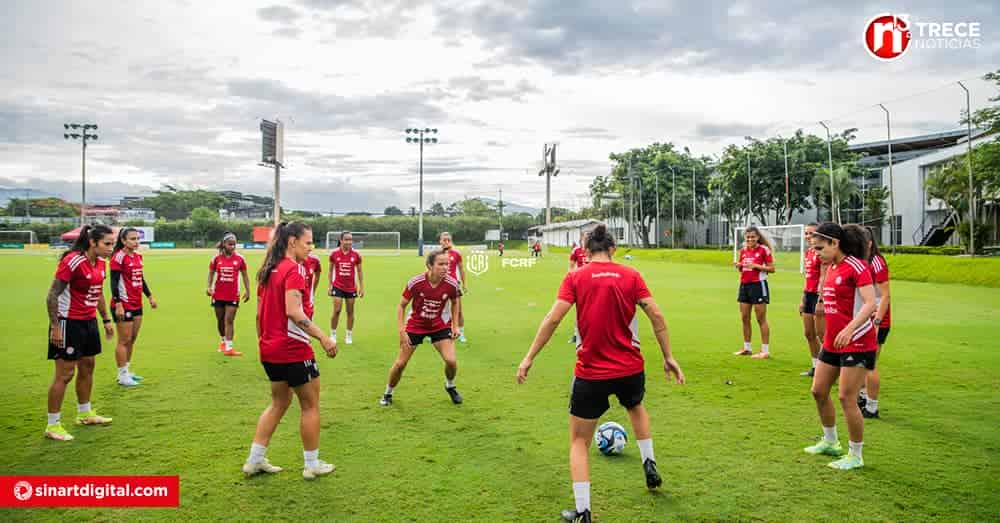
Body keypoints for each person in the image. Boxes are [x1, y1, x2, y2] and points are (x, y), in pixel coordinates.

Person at [516, 225, 685, 523]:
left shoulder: (575, 277)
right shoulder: (631, 275)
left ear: (585, 251)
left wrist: (529, 357)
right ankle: (649, 462)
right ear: (613, 249)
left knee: (579, 442)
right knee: (635, 406)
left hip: (591, 372)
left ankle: (583, 512)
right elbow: (656, 315)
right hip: (630, 368)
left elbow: (553, 319)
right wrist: (668, 356)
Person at [243, 222, 338, 480]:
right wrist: (323, 337)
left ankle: (254, 460)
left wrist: (265, 341)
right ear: (292, 242)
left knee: (279, 402)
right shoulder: (294, 270)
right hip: (293, 349)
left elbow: (259, 315)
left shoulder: (267, 270)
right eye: (308, 242)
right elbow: (294, 311)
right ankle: (312, 464)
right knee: (310, 405)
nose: (311, 247)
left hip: (269, 348)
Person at [804, 222, 878, 470]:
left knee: (847, 397)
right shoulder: (832, 267)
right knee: (818, 391)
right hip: (833, 341)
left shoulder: (857, 266)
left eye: (819, 248)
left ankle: (855, 455)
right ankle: (830, 442)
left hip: (857, 342)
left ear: (834, 243)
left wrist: (850, 329)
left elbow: (870, 303)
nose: (816, 253)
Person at [44, 224, 117, 441]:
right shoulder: (73, 261)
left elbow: (98, 292)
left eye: (112, 244)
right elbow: (52, 294)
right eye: (107, 244)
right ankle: (53, 425)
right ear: (92, 242)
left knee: (87, 367)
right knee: (65, 374)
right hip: (68, 323)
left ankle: (85, 414)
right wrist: (55, 326)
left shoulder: (101, 263)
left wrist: (106, 319)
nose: (111, 248)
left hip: (88, 322)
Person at [379, 250, 463, 407]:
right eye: (441, 264)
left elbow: (455, 302)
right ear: (430, 265)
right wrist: (401, 331)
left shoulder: (452, 284)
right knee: (400, 364)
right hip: (415, 325)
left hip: (439, 325)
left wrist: (455, 325)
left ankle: (450, 385)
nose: (445, 267)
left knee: (451, 361)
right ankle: (388, 393)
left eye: (447, 264)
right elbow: (401, 306)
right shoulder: (416, 282)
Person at [109, 227, 158, 387]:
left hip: (137, 303)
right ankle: (122, 375)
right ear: (123, 240)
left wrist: (149, 296)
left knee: (132, 339)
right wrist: (118, 304)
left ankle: (127, 371)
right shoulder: (118, 257)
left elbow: (140, 278)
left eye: (137, 238)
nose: (136, 242)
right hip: (123, 304)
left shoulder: (138, 256)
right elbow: (114, 282)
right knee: (124, 340)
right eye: (132, 239)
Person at [857, 226, 891, 419]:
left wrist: (877, 321)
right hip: (864, 317)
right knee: (861, 362)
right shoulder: (861, 261)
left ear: (869, 244)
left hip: (877, 319)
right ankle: (863, 396)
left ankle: (872, 406)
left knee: (870, 363)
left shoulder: (876, 262)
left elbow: (885, 295)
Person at [733, 226, 775, 359]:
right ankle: (747, 348)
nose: (750, 239)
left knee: (760, 318)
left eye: (752, 237)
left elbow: (772, 269)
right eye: (748, 237)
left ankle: (765, 351)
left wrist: (756, 266)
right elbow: (743, 269)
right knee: (745, 318)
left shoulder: (764, 250)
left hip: (758, 285)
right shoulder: (743, 250)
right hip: (744, 285)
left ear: (757, 237)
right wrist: (739, 266)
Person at [207, 232, 250, 356]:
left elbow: (245, 275)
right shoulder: (216, 259)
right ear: (224, 244)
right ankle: (223, 341)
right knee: (220, 320)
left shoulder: (240, 259)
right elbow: (211, 273)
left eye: (234, 244)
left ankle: (229, 347)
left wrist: (248, 290)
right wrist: (209, 287)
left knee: (229, 320)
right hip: (218, 294)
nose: (232, 247)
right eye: (230, 244)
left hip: (233, 295)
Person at [328, 231, 363, 345]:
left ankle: (349, 335)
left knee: (350, 312)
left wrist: (361, 287)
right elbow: (330, 271)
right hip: (337, 286)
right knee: (337, 310)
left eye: (350, 239)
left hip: (351, 288)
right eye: (346, 239)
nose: (349, 242)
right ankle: (333, 334)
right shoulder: (334, 254)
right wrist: (329, 286)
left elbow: (359, 271)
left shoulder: (356, 255)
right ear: (341, 240)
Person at [800, 223, 823, 377]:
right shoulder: (808, 252)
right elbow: (808, 278)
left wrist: (821, 299)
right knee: (809, 333)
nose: (808, 236)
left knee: (822, 335)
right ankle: (815, 367)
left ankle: (830, 369)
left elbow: (824, 276)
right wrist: (803, 299)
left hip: (819, 296)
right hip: (808, 295)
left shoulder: (822, 253)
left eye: (811, 233)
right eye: (806, 233)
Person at [438, 232, 468, 343]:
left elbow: (461, 270)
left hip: (454, 285)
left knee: (458, 310)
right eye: (444, 240)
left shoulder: (456, 254)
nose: (446, 242)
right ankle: (434, 332)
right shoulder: (436, 254)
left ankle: (461, 333)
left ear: (451, 241)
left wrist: (464, 284)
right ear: (440, 241)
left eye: (448, 240)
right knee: (437, 309)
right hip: (440, 285)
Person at [567, 234, 590, 344]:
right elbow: (571, 266)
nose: (586, 239)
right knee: (580, 309)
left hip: (595, 281)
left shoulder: (595, 249)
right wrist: (572, 280)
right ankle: (577, 334)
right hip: (581, 283)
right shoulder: (576, 250)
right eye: (584, 238)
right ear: (581, 239)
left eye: (587, 238)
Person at [303, 252, 322, 323]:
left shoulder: (315, 259)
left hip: (307, 300)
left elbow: (318, 274)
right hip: (293, 299)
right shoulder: (289, 259)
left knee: (307, 323)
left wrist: (312, 291)